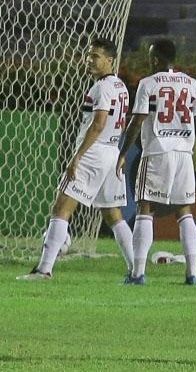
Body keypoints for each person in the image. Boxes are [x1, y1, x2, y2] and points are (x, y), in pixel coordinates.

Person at [17, 38, 134, 280]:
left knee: (62, 207)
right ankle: (137, 269)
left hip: (93, 153)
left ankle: (44, 269)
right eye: (89, 55)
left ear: (110, 60)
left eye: (96, 56)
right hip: (111, 152)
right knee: (112, 214)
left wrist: (77, 156)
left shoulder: (102, 88)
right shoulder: (120, 86)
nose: (90, 60)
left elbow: (99, 123)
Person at [116, 38, 196, 285]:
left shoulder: (148, 84)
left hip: (157, 152)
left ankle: (138, 273)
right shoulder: (191, 84)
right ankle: (192, 273)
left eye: (150, 56)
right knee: (184, 211)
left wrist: (122, 153)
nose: (149, 60)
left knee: (145, 208)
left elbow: (137, 120)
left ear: (156, 59)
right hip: (184, 154)